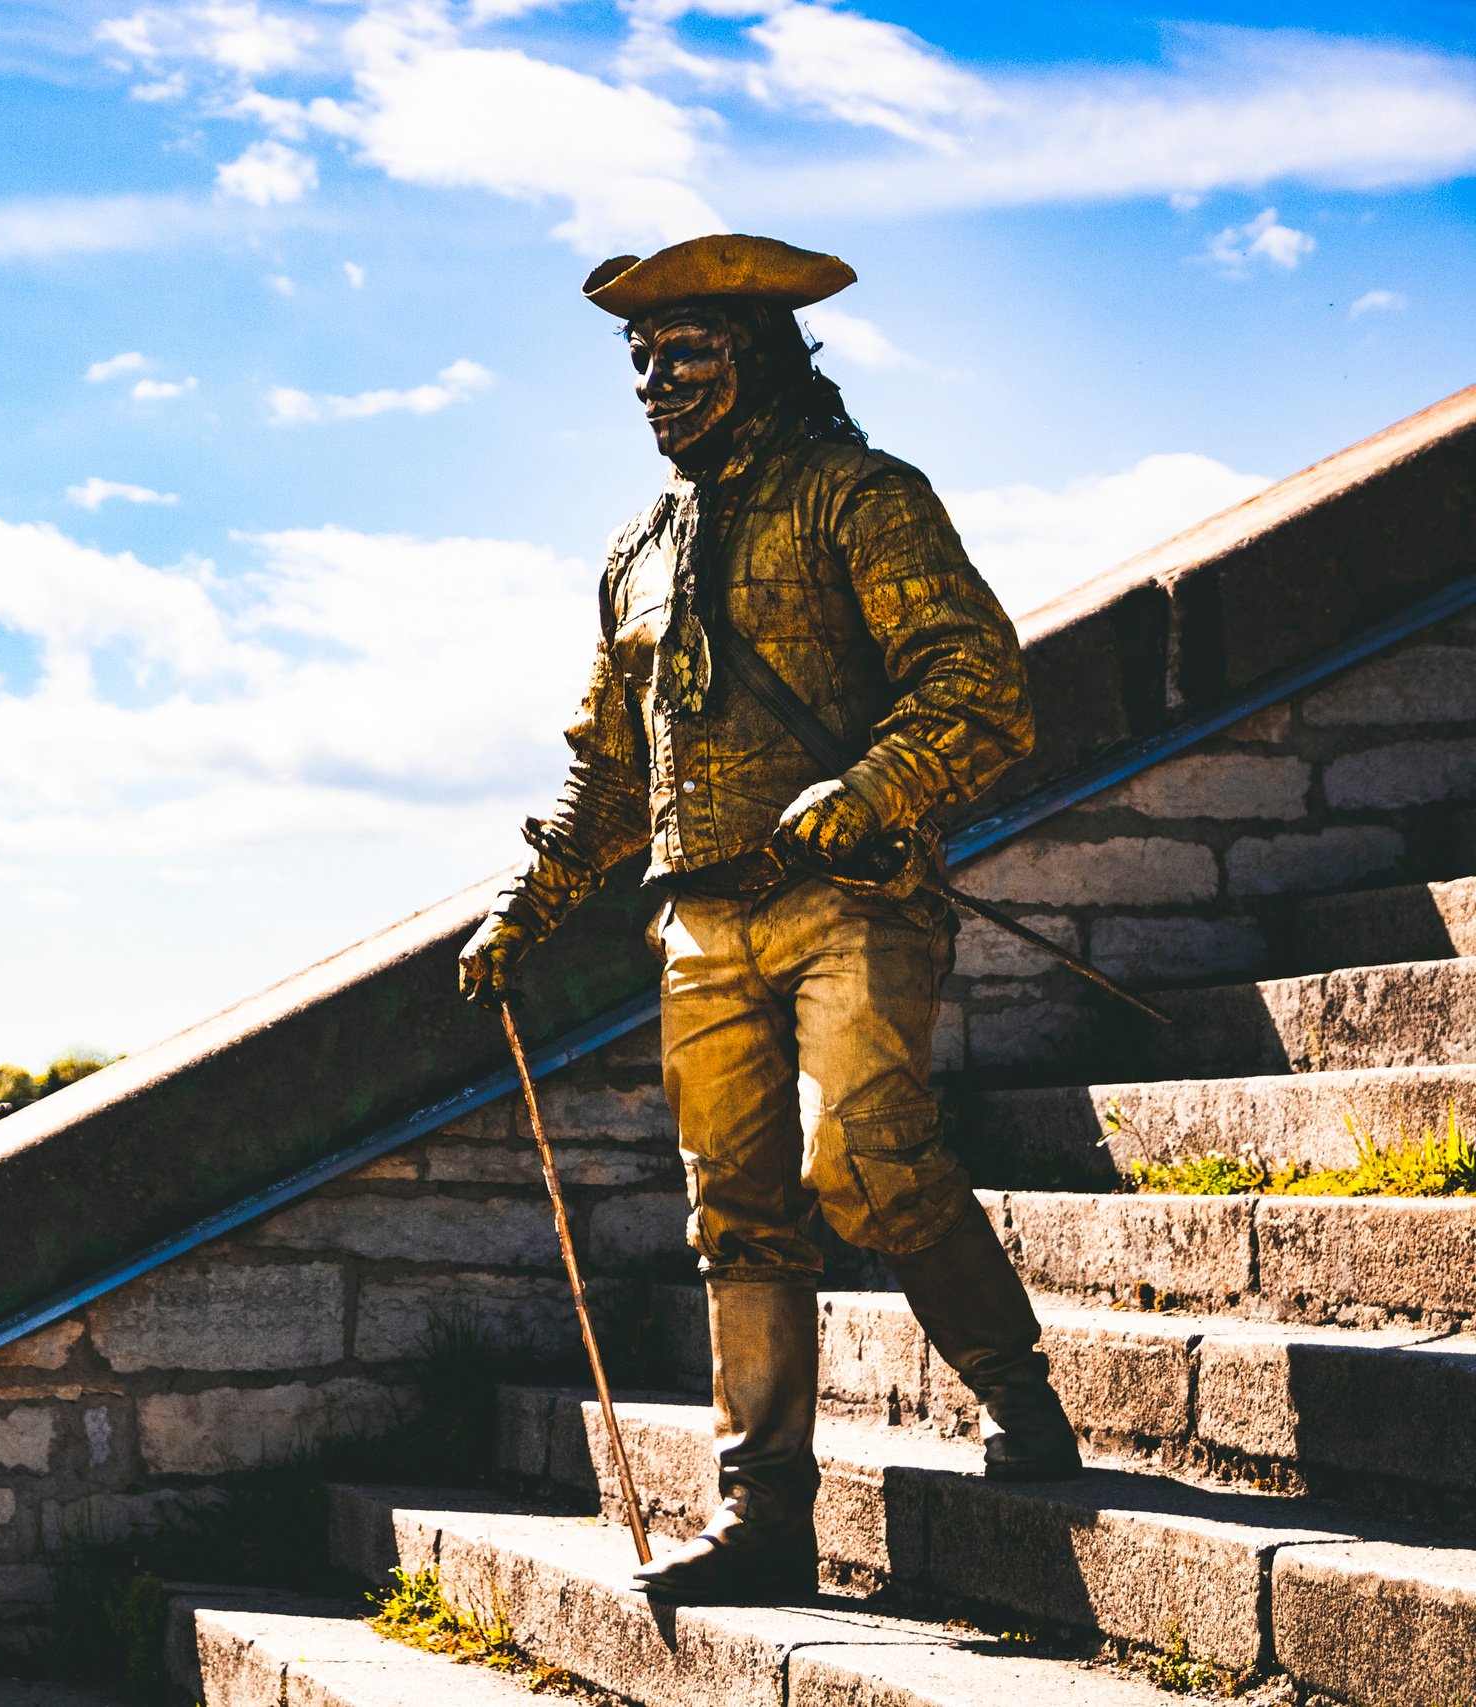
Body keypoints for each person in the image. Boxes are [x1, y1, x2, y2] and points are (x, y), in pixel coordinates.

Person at [457, 234, 1082, 1605]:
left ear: (762, 358)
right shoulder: (635, 554)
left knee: (862, 1158)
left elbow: (980, 687)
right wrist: (530, 903)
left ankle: (1017, 1392)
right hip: (698, 928)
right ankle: (764, 1517)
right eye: (639, 359)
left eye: (683, 354)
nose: (653, 383)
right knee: (734, 1216)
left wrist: (868, 791)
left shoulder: (864, 499)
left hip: (851, 905)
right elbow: (609, 774)